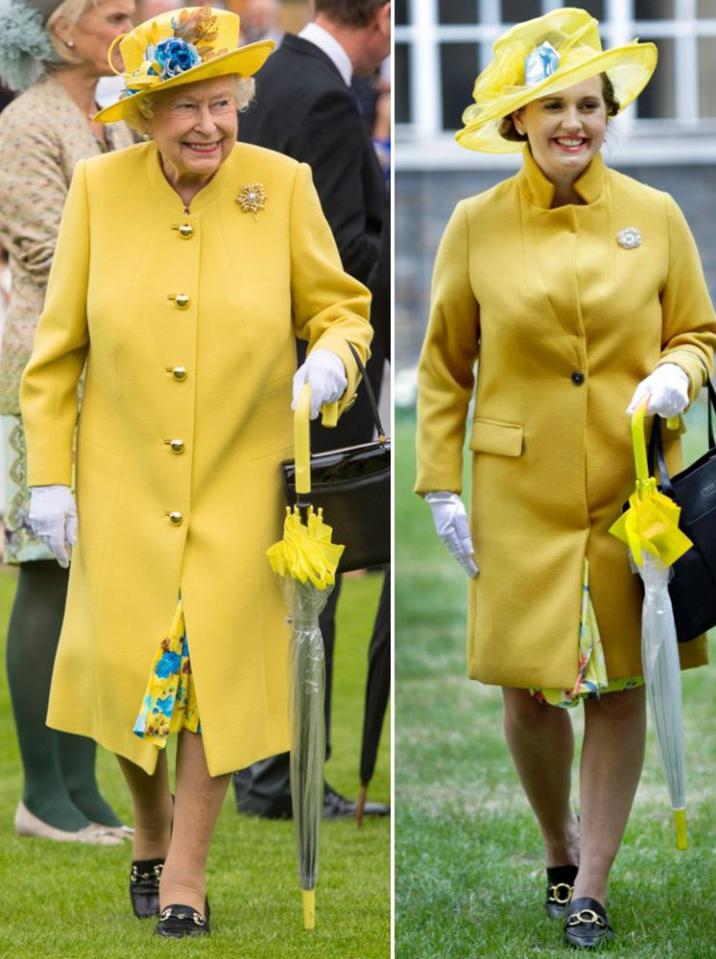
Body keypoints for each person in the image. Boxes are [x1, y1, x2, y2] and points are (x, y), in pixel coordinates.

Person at [20, 3, 371, 939]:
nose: (209, 125)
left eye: (222, 103)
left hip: (239, 476)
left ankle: (184, 870)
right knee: (129, 672)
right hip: (122, 478)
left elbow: (342, 308)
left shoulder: (282, 184)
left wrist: (333, 354)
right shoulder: (98, 189)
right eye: (185, 110)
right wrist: (48, 478)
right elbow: (56, 356)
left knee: (211, 674)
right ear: (144, 117)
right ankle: (147, 825)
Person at [415, 9, 716, 951]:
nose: (572, 122)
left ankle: (590, 884)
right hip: (517, 491)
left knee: (618, 683)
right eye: (552, 106)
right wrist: (438, 483)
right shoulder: (473, 225)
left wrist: (676, 371)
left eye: (588, 104)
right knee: (526, 690)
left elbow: (695, 332)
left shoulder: (655, 215)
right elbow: (442, 368)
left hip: (633, 492)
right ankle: (558, 843)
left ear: (607, 113)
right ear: (518, 121)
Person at [234, 0, 390, 820]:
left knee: (285, 579)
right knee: (309, 581)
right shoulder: (325, 98)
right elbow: (345, 251)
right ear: (383, 16)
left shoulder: (271, 71)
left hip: (267, 370)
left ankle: (266, 773)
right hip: (315, 375)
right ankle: (279, 779)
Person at [0, 0, 136, 846]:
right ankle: (42, 793)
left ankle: (83, 787)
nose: (130, 23)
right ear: (63, 30)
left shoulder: (113, 115)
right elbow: (44, 251)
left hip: (114, 373)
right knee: (48, 573)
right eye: (116, 12)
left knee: (96, 582)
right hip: (44, 376)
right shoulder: (26, 123)